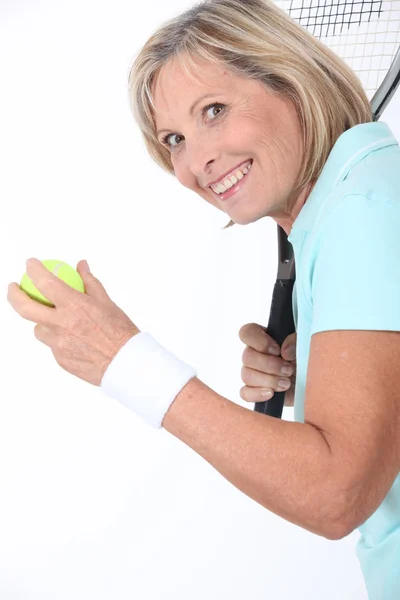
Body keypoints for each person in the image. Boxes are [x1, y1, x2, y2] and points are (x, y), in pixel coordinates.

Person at [6, 0, 400, 598]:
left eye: (214, 110)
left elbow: (336, 492)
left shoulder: (362, 209)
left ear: (289, 78)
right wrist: (326, 379)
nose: (194, 164)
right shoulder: (367, 196)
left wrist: (125, 359)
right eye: (174, 139)